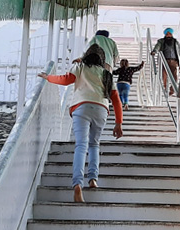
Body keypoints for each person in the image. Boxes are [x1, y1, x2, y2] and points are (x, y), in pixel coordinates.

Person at [39, 47, 123, 202]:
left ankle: (77, 184)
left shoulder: (80, 67)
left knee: (81, 145)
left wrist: (48, 77)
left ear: (85, 56)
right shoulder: (106, 75)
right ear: (102, 60)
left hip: (81, 107)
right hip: (101, 109)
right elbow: (116, 99)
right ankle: (93, 180)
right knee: (94, 145)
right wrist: (118, 123)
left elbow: (65, 80)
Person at [151, 27, 180, 96]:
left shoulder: (176, 42)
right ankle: (166, 88)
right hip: (164, 60)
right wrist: (154, 51)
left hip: (174, 61)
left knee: (175, 77)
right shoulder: (161, 41)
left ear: (172, 34)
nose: (168, 35)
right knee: (164, 76)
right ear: (165, 35)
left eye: (170, 34)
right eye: (167, 34)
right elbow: (157, 46)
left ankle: (172, 90)